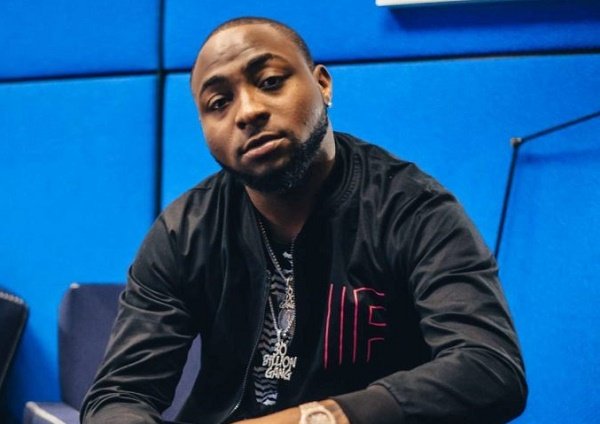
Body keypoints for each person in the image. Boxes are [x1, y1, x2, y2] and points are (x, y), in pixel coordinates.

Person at [81, 17, 527, 424]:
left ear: (322, 84)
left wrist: (314, 419)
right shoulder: (184, 232)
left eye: (270, 81)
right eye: (219, 102)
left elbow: (489, 368)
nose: (247, 111)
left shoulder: (412, 209)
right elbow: (118, 396)